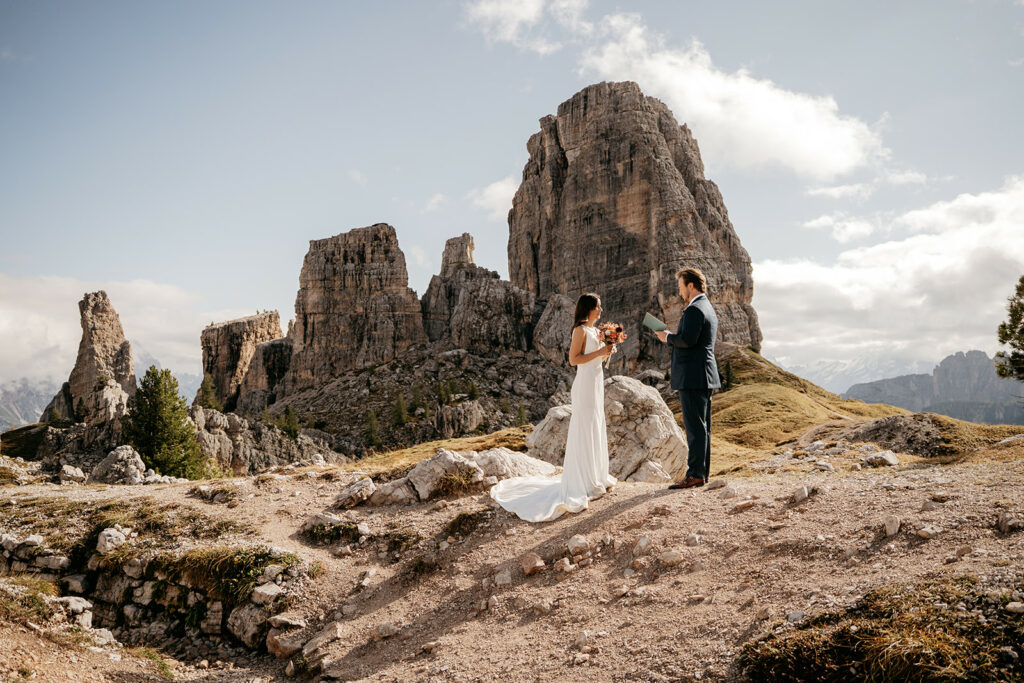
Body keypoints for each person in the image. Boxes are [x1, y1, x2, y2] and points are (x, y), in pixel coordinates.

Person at [490, 292, 617, 522]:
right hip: (585, 385)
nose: (601, 310)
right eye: (598, 306)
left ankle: (596, 476)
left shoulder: (594, 331)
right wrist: (600, 351)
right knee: (585, 428)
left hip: (596, 382)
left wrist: (606, 352)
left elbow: (595, 360)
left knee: (595, 425)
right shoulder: (580, 330)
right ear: (588, 308)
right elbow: (574, 359)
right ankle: (583, 481)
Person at [654, 267, 721, 489]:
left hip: (693, 376)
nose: (679, 291)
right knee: (703, 427)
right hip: (704, 375)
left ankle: (695, 474)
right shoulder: (707, 307)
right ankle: (701, 473)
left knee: (695, 428)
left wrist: (667, 337)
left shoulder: (694, 309)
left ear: (690, 285)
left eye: (681, 286)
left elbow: (688, 340)